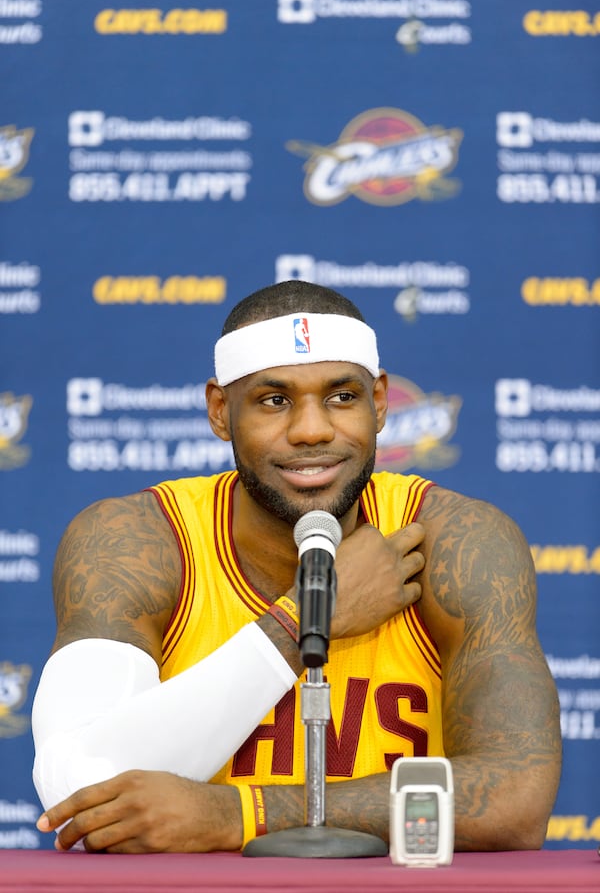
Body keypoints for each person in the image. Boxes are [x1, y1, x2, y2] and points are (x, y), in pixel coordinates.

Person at [31, 279, 561, 854]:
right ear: (219, 410)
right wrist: (300, 623)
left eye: (341, 397)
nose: (312, 430)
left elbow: (516, 797)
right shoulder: (138, 539)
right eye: (274, 400)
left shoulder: (455, 538)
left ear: (379, 403)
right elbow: (77, 788)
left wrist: (240, 813)